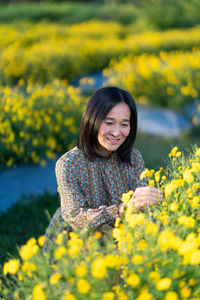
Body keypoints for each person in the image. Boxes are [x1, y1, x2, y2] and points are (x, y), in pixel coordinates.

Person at [43, 86, 162, 250]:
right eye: (109, 123)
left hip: (124, 241)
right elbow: (77, 218)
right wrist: (125, 208)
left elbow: (143, 207)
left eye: (124, 124)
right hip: (79, 248)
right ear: (92, 120)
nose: (116, 132)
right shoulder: (68, 164)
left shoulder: (133, 157)